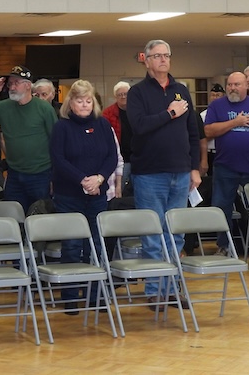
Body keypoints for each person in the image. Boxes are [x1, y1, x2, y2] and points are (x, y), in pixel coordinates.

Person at [126, 39, 200, 307]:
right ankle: (155, 292)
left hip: (181, 172)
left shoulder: (181, 90)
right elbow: (140, 125)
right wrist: (169, 114)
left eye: (166, 55)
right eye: (157, 56)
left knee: (176, 234)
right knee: (154, 235)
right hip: (150, 173)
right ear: (145, 60)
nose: (163, 60)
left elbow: (193, 132)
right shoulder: (137, 93)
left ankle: (172, 289)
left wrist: (195, 167)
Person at [50, 79, 117, 314]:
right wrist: (83, 180)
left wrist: (98, 179)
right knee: (72, 246)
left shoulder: (103, 124)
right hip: (69, 194)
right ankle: (70, 297)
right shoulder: (62, 127)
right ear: (71, 103)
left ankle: (95, 296)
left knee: (97, 245)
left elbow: (111, 156)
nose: (85, 105)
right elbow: (59, 160)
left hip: (97, 193)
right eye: (80, 101)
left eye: (89, 100)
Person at [0, 66, 58, 212]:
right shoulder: (3, 107)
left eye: (16, 83)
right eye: (10, 83)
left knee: (40, 216)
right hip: (15, 175)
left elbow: (56, 142)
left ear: (28, 85)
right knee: (14, 216)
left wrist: (55, 176)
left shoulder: (44, 108)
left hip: (40, 174)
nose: (12, 86)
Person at [204, 72, 249, 256]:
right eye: (230, 84)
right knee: (221, 206)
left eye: (237, 84)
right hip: (225, 166)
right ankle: (224, 245)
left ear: (245, 86)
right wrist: (235, 122)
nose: (233, 87)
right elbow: (208, 130)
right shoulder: (217, 106)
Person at [103, 81, 133, 188]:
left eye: (126, 94)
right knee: (119, 188)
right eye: (120, 94)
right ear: (115, 96)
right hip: (120, 159)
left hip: (138, 158)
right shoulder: (108, 113)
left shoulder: (138, 110)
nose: (123, 96)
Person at [200, 83, 226, 176]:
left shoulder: (227, 113)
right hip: (210, 152)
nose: (215, 98)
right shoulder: (203, 115)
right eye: (213, 95)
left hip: (224, 152)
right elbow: (202, 137)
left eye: (218, 95)